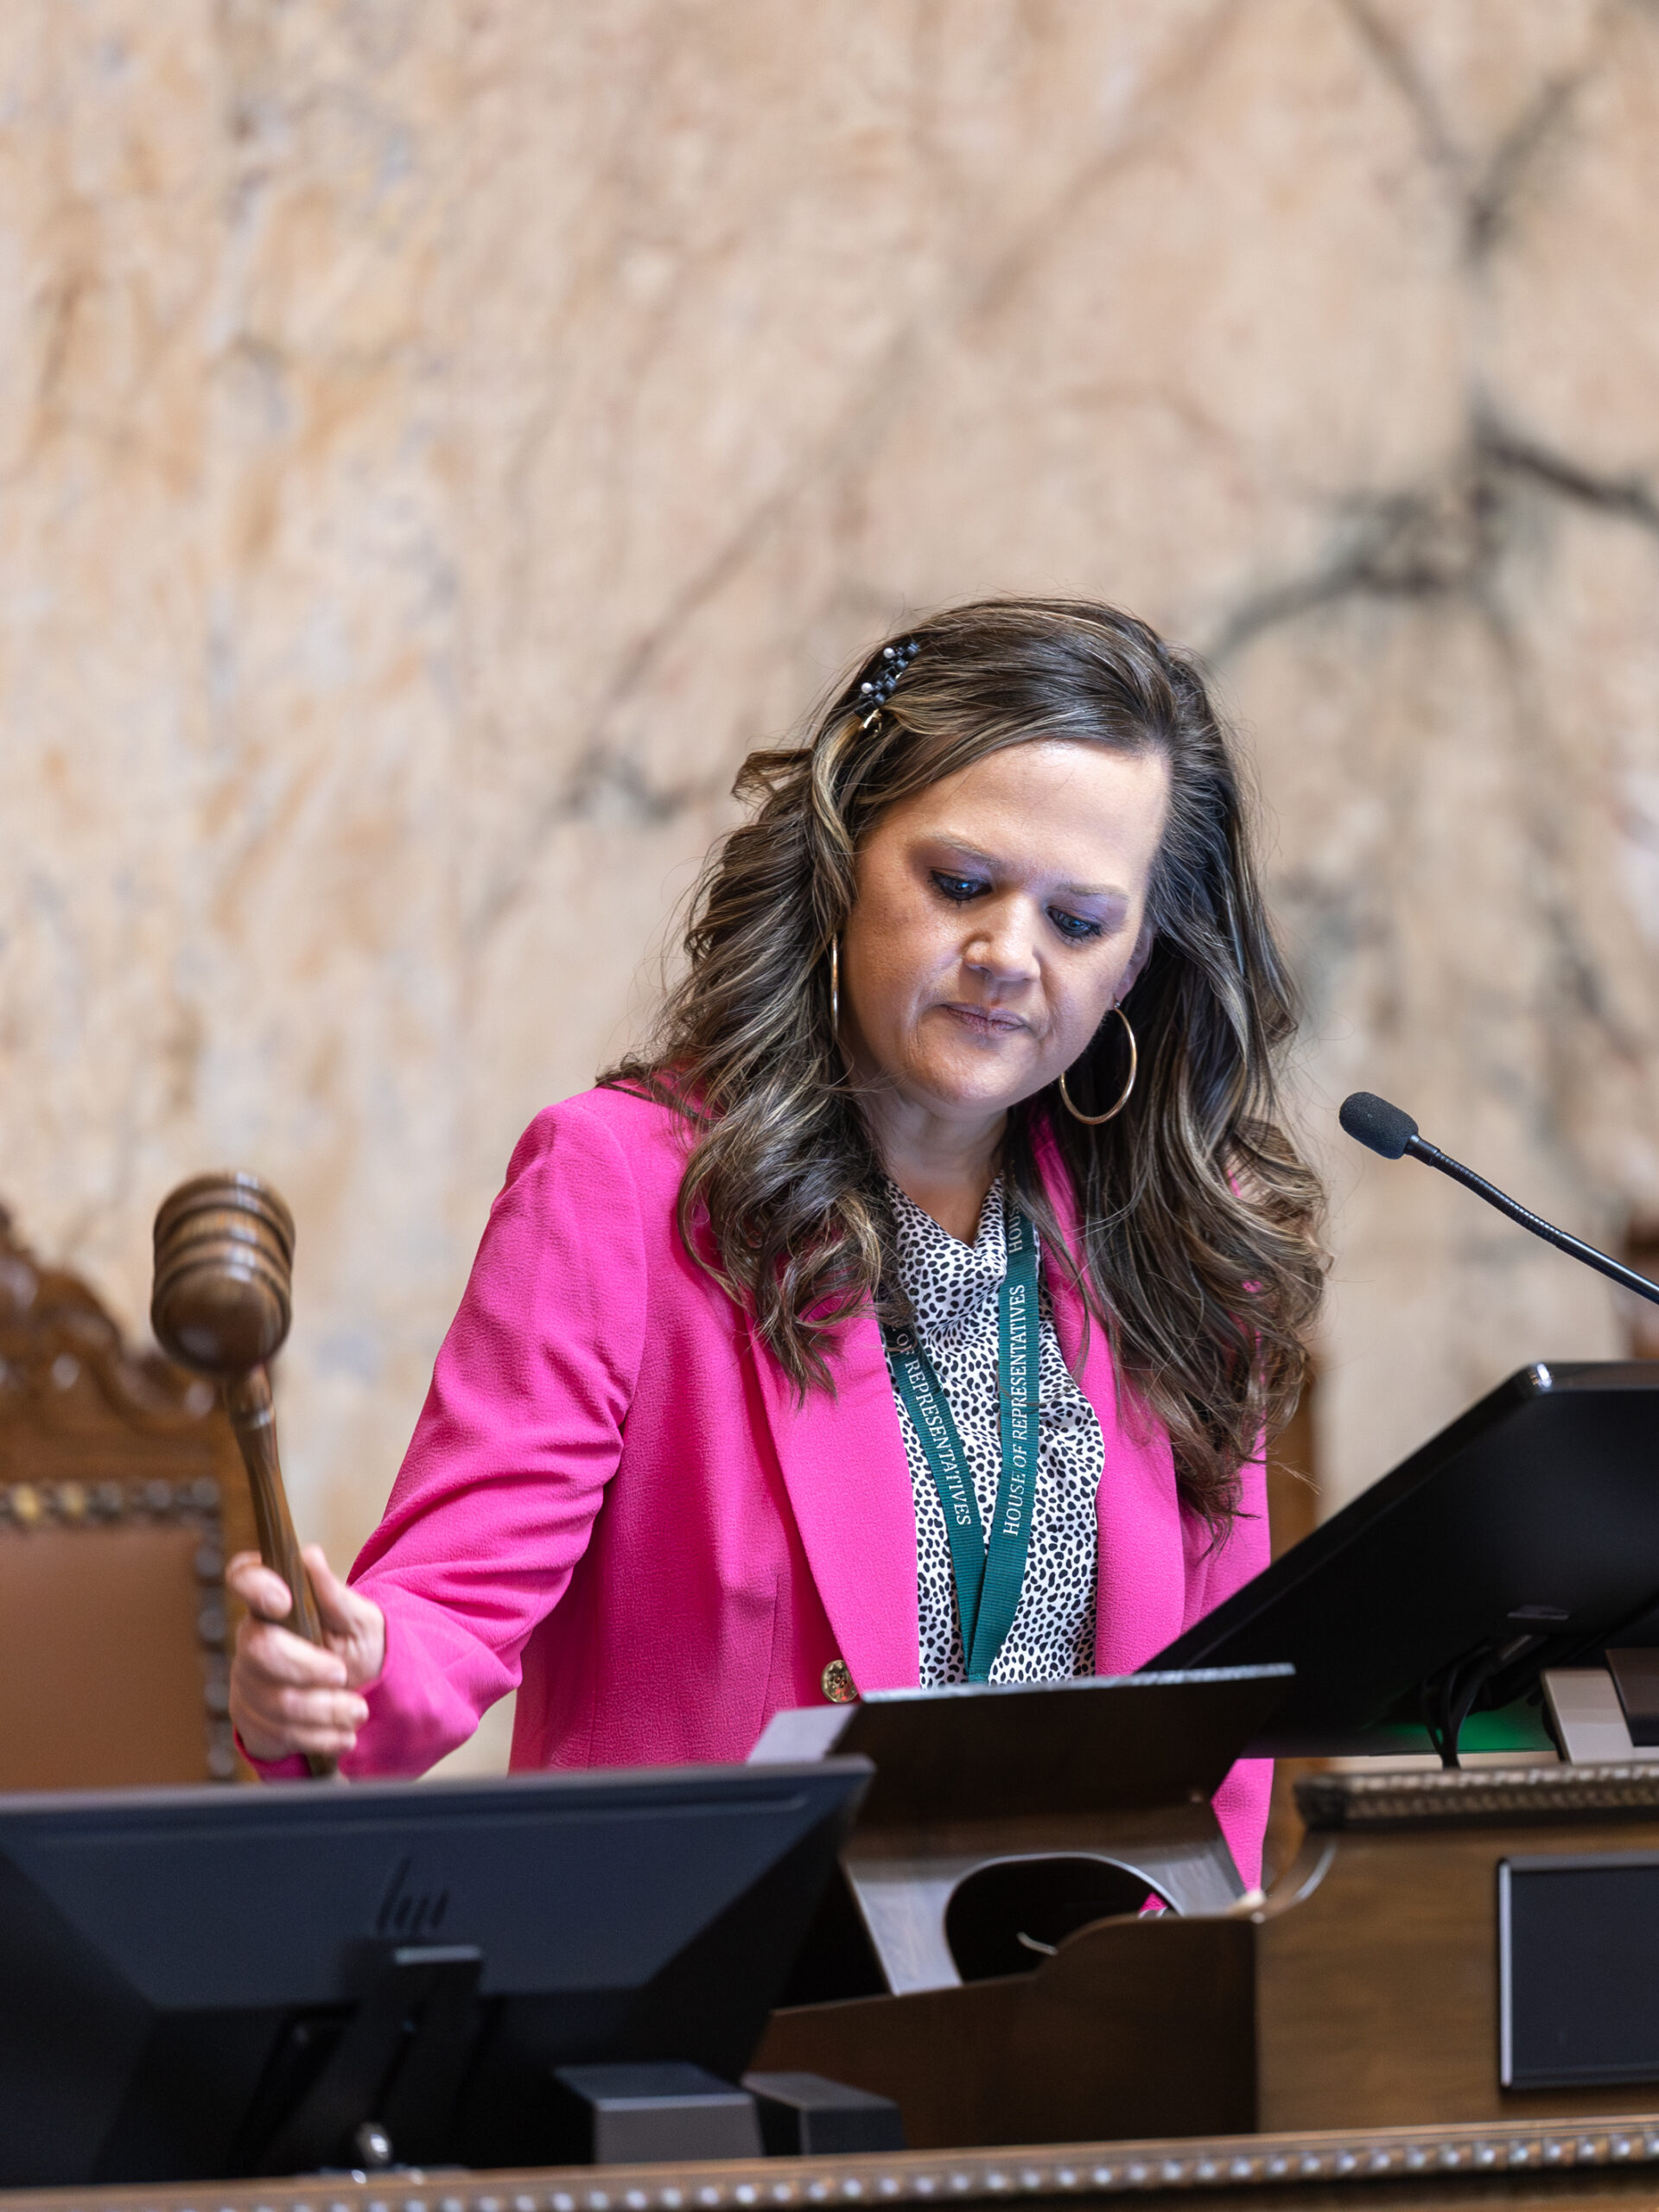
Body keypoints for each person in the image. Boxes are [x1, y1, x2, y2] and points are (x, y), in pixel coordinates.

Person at [228, 598, 1325, 1885]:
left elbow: (1224, 1742)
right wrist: (340, 1680)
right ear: (845, 860)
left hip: (1084, 2025)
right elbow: (445, 1611)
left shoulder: (1190, 1252)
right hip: (719, 2014)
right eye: (962, 884)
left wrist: (1200, 2008)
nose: (1007, 955)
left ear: (1139, 961)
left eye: (1078, 923)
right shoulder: (621, 1187)